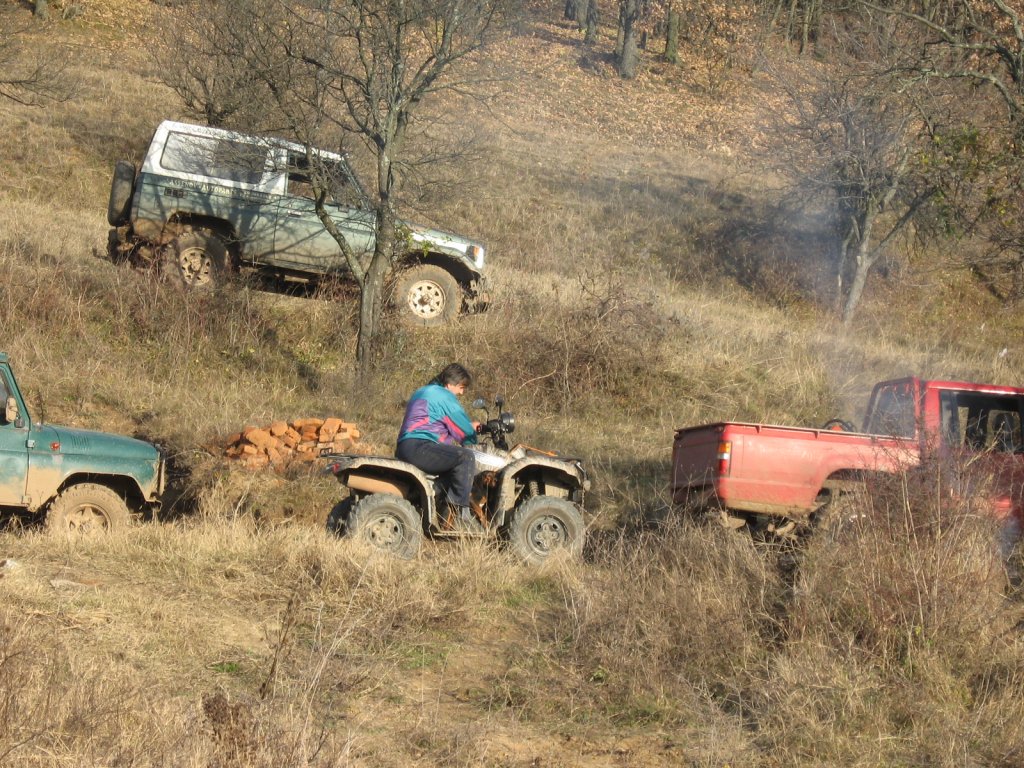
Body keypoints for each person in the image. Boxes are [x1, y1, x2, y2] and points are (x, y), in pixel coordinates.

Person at [396, 363, 480, 525]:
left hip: (406, 447)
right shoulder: (444, 396)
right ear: (450, 384)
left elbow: (434, 421)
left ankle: (434, 498)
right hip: (420, 447)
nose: (462, 392)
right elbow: (463, 431)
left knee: (454, 469)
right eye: (461, 387)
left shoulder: (424, 391)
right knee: (466, 458)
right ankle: (460, 516)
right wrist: (472, 437)